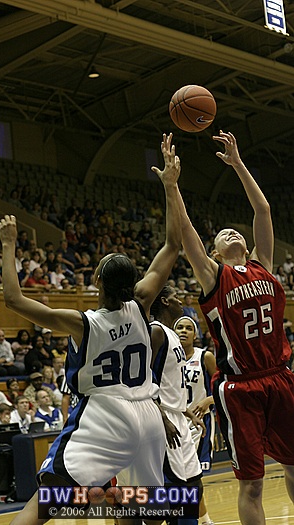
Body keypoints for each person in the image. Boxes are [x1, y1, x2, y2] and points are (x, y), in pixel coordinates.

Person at [0, 132, 181, 525]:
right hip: (147, 416)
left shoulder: (82, 323)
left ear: (96, 278)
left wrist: (10, 244)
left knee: (46, 503)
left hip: (105, 414)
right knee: (140, 512)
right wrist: (170, 185)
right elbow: (172, 245)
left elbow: (13, 299)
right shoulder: (143, 302)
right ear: (131, 283)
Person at [173, 130, 294, 525]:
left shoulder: (264, 265)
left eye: (235, 230)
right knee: (253, 484)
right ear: (214, 252)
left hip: (280, 377)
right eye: (223, 233)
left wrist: (238, 164)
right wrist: (173, 188)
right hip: (241, 387)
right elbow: (187, 232)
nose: (233, 231)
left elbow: (263, 212)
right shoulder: (213, 276)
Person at [149, 285, 204, 525]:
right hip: (163, 420)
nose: (180, 301)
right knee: (172, 495)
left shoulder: (172, 335)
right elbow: (142, 380)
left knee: (194, 486)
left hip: (179, 418)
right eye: (175, 298)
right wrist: (163, 418)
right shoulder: (156, 331)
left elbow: (171, 383)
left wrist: (186, 411)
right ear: (164, 301)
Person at [174, 316, 217, 525]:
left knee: (191, 477)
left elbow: (223, 383)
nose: (183, 331)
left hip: (198, 423)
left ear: (195, 334)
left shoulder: (204, 356)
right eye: (179, 327)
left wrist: (209, 400)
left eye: (188, 328)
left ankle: (203, 520)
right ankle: (201, 520)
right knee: (181, 477)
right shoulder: (168, 357)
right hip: (174, 421)